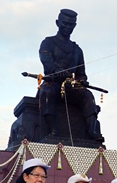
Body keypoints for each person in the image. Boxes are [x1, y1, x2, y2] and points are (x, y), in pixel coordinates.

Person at [38, 8, 102, 142]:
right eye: (65, 23)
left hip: (70, 87)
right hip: (53, 84)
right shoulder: (48, 43)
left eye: (71, 25)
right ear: (57, 22)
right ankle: (52, 130)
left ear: (75, 26)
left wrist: (82, 81)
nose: (67, 27)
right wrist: (57, 71)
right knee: (47, 92)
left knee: (87, 96)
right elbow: (47, 61)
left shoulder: (77, 50)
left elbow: (81, 73)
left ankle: (92, 131)